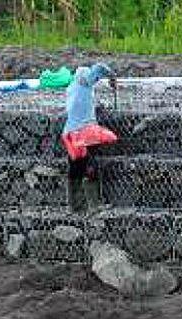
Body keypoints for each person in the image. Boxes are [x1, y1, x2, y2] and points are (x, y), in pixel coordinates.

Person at [62, 63, 119, 213]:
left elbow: (81, 107)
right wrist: (111, 75)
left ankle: (74, 205)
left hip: (70, 133)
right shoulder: (84, 81)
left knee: (75, 168)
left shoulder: (72, 88)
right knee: (90, 166)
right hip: (84, 133)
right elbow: (99, 67)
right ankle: (94, 205)